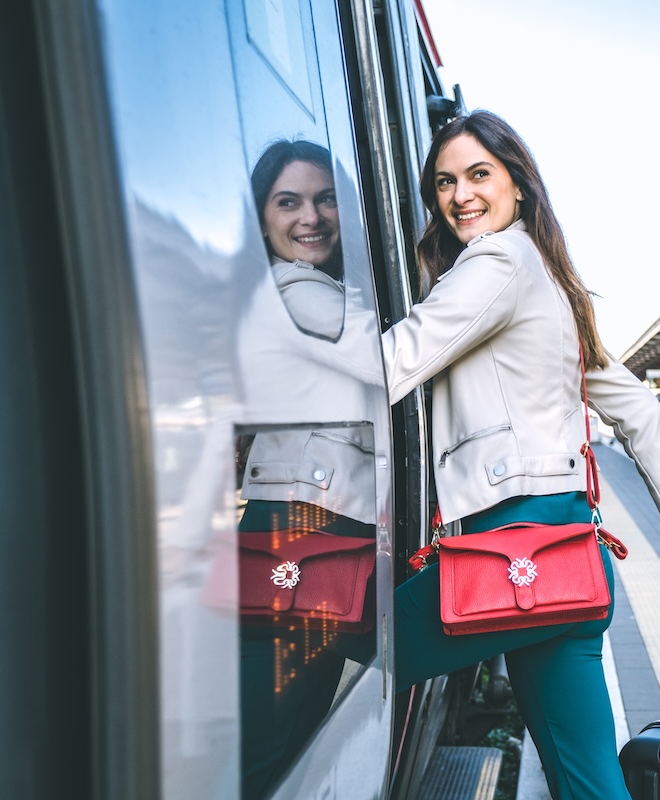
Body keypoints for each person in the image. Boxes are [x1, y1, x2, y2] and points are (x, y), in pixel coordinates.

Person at [382, 111, 660, 799]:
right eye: (444, 182)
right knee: (589, 782)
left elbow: (391, 363)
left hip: (510, 551)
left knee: (340, 644)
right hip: (568, 561)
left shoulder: (496, 261)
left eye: (479, 174)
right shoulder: (548, 276)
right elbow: (635, 407)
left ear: (518, 182)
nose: (461, 196)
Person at [234, 139, 381, 798]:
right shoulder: (296, 289)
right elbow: (393, 355)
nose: (310, 218)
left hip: (313, 525)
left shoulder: (322, 290)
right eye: (287, 201)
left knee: (291, 736)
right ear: (261, 216)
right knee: (273, 741)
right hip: (300, 526)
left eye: (325, 199)